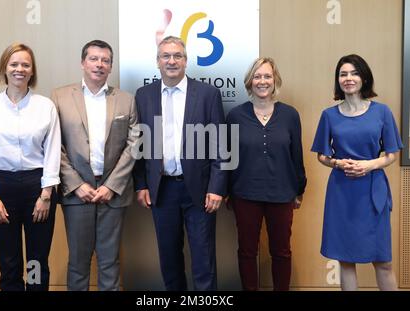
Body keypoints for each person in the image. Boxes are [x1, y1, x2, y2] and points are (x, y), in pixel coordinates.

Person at [133, 36, 227, 291]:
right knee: (169, 256)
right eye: (166, 56)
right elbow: (139, 143)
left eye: (177, 56)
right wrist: (141, 184)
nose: (171, 61)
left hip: (199, 188)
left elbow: (220, 143)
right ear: (157, 61)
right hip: (161, 189)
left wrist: (217, 187)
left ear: (186, 61)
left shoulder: (207, 94)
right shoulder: (144, 95)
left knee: (203, 256)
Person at [0, 43, 60, 291]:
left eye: (25, 65)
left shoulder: (45, 107)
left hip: (38, 187)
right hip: (1, 189)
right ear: (5, 68)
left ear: (32, 71)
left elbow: (53, 152)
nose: (19, 69)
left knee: (36, 259)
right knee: (9, 260)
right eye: (14, 64)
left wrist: (45, 196)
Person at [51, 40, 138, 291]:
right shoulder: (60, 96)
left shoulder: (126, 100)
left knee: (110, 261)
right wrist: (76, 184)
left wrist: (112, 185)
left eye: (105, 60)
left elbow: (134, 146)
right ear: (82, 62)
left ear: (111, 66)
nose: (99, 64)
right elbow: (54, 145)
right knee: (78, 263)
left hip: (113, 191)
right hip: (77, 191)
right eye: (93, 59)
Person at [311, 54, 402, 291]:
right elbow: (322, 155)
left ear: (364, 78)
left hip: (373, 190)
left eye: (354, 73)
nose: (348, 78)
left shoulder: (382, 112)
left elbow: (392, 153)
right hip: (342, 192)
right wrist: (338, 163)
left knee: (383, 261)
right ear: (338, 80)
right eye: (343, 74)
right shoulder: (329, 115)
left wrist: (369, 165)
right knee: (346, 260)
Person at [226, 57, 307, 291]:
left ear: (275, 80)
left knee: (281, 252)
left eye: (267, 76)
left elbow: (296, 156)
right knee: (247, 251)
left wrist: (299, 190)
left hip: (282, 194)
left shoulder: (290, 115)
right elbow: (227, 159)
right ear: (250, 81)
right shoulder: (235, 116)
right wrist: (227, 192)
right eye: (258, 76)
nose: (262, 81)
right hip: (244, 195)